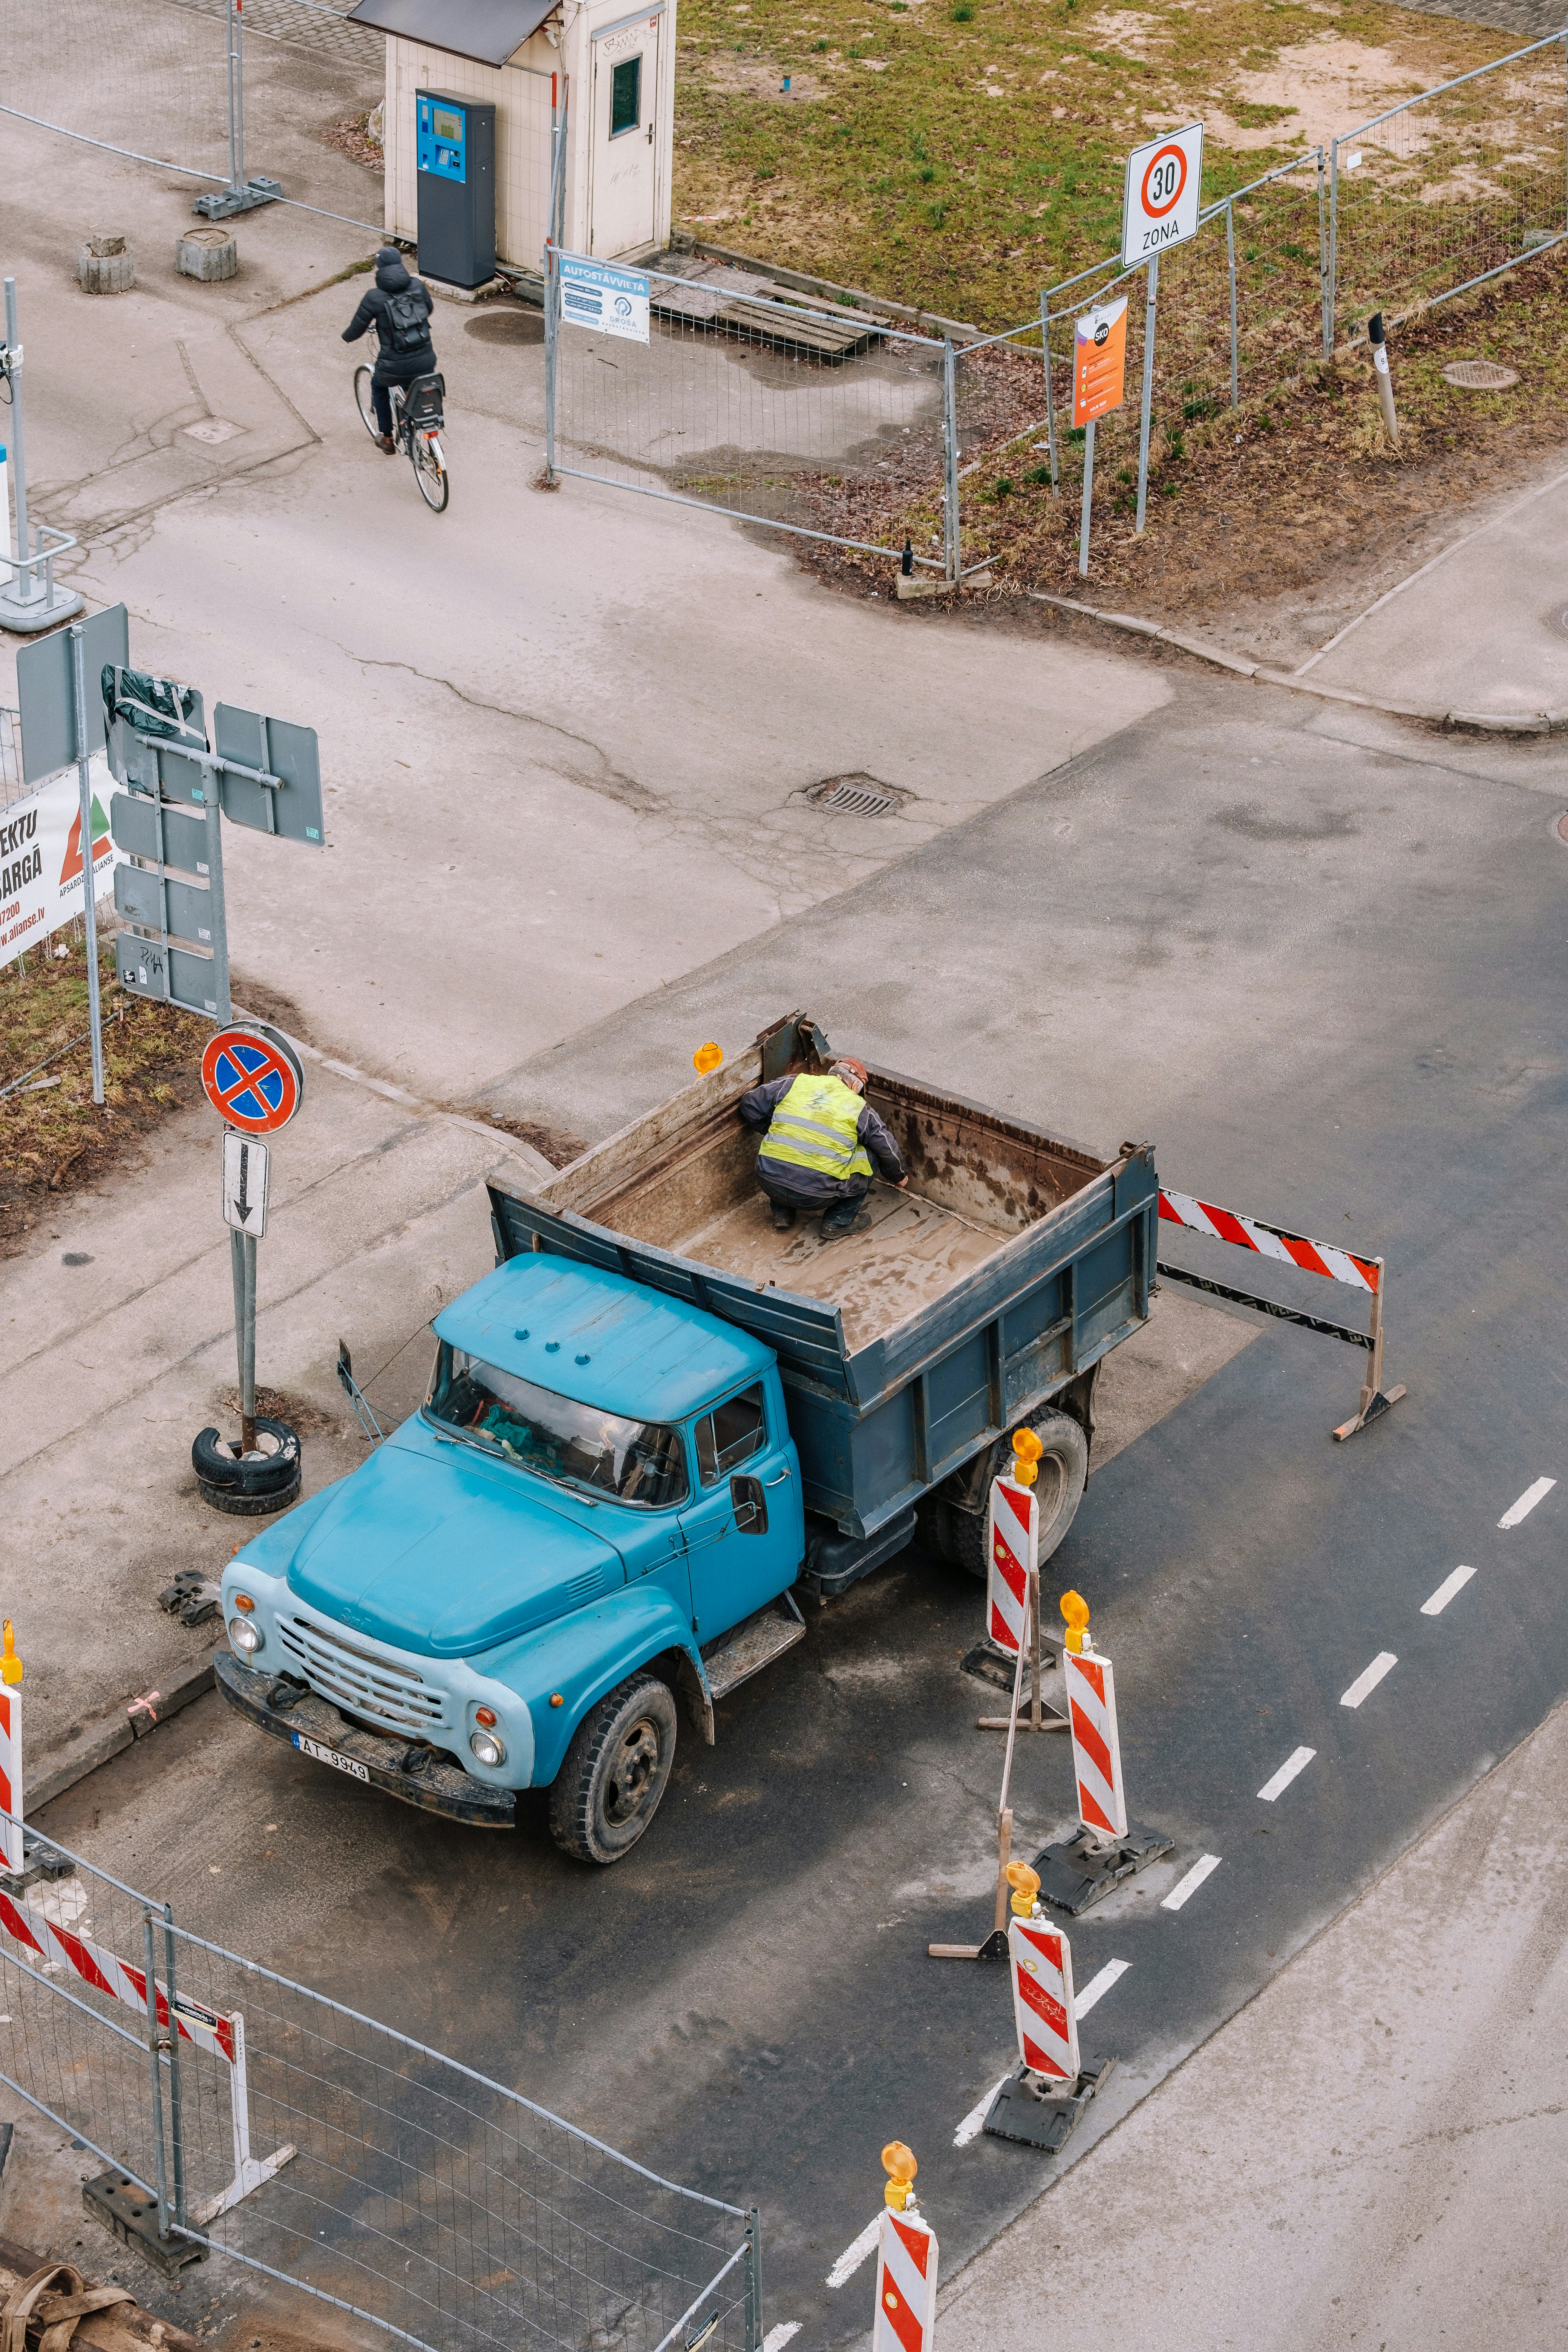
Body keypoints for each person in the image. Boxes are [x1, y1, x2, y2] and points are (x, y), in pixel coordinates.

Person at [739, 1057, 907, 1238]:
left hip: (768, 1182)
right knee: (871, 1156)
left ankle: (783, 1213)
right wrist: (899, 1176)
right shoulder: (859, 1107)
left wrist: (772, 1130)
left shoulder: (795, 1082)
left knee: (786, 1151)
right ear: (856, 1086)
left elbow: (749, 1103)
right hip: (816, 1196)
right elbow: (886, 1147)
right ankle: (837, 1222)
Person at [342, 248, 438, 453]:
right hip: (427, 359)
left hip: (393, 364)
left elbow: (357, 328)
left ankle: (387, 438)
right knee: (414, 384)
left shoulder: (374, 297)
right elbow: (428, 310)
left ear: (380, 269)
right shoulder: (417, 286)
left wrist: (346, 337)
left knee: (379, 385)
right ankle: (423, 426)